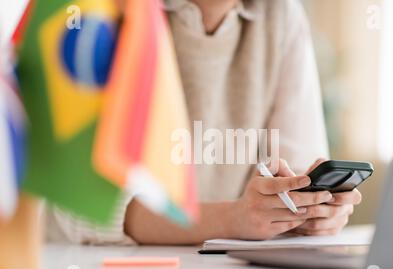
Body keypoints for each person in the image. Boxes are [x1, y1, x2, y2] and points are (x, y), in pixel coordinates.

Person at [45, 0, 362, 245]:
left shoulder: (282, 17)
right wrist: (231, 219)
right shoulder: (104, 13)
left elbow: (298, 171)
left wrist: (311, 211)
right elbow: (75, 209)